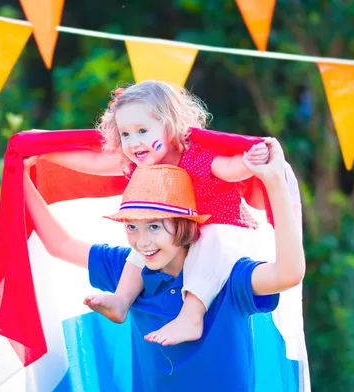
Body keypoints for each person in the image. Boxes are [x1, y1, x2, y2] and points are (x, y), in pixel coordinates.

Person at [22, 138, 305, 391]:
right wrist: (19, 176)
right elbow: (61, 245)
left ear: (184, 225)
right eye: (131, 226)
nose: (142, 241)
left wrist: (274, 182)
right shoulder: (132, 272)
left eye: (154, 226)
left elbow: (289, 273)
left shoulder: (225, 273)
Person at [33, 80, 275, 346]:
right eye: (125, 134)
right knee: (144, 238)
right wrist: (43, 150)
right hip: (177, 233)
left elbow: (229, 168)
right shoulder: (141, 165)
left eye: (142, 131)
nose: (133, 142)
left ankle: (192, 315)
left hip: (220, 227)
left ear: (170, 126)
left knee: (208, 239)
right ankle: (122, 300)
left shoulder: (194, 155)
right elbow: (95, 162)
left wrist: (250, 161)